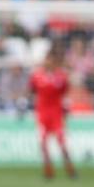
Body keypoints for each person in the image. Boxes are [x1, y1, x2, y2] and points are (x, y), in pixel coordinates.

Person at [28, 48, 77, 180]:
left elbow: (65, 93)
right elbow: (31, 90)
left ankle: (71, 170)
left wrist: (66, 108)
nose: (49, 62)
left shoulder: (61, 76)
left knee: (62, 142)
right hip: (42, 114)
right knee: (43, 143)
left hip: (56, 114)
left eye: (52, 60)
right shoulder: (37, 76)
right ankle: (48, 171)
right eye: (47, 59)